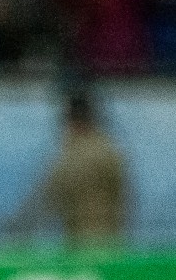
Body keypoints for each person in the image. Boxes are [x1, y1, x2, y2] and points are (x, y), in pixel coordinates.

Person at [14, 87, 128, 246]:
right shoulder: (110, 149)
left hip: (87, 244)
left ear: (72, 121)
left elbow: (48, 196)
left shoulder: (77, 155)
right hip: (110, 240)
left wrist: (16, 230)